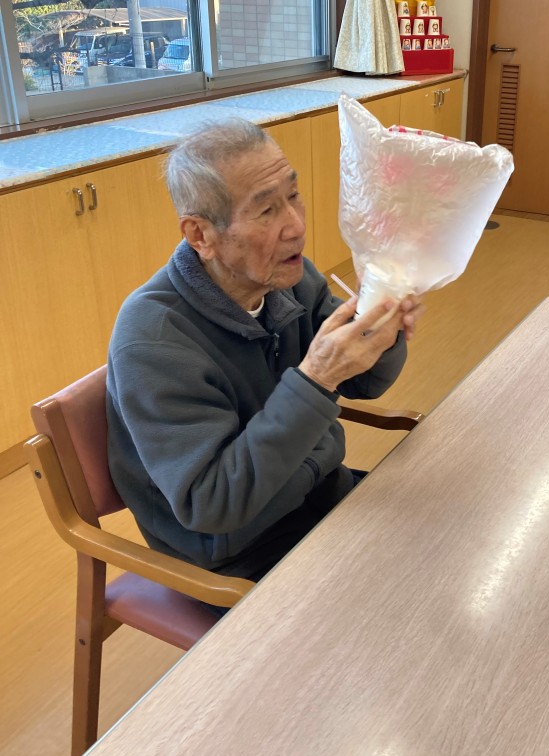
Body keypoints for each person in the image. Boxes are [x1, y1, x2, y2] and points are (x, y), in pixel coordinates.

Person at [106, 118, 423, 587]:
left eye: (293, 195)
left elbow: (365, 382)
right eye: (267, 210)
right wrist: (315, 380)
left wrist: (381, 328)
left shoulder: (288, 280)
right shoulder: (153, 340)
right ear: (200, 235)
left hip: (321, 498)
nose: (296, 225)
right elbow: (212, 503)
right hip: (240, 555)